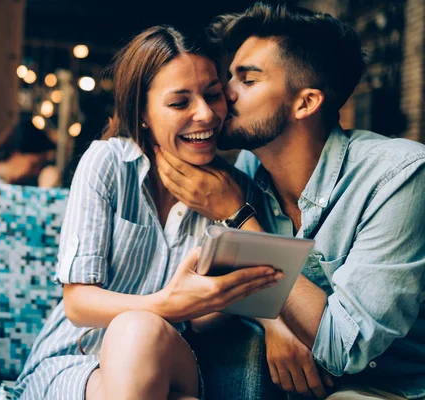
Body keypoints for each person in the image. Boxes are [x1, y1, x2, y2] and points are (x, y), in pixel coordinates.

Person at [154, 3, 425, 399]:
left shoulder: (399, 176)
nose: (223, 95)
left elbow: (343, 346)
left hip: (394, 388)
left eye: (246, 80)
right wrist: (272, 319)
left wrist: (239, 218)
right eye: (230, 76)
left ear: (305, 102)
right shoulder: (249, 168)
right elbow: (209, 303)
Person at [12, 25, 284, 400]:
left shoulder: (236, 192)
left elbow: (207, 322)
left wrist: (223, 301)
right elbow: (78, 303)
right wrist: (166, 304)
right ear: (142, 113)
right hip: (75, 359)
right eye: (179, 103)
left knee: (140, 332)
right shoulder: (107, 164)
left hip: (170, 359)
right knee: (139, 335)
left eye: (212, 95)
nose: (205, 114)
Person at [0, 117, 57, 188]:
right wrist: (44, 190)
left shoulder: (2, 184)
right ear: (15, 154)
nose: (36, 172)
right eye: (34, 164)